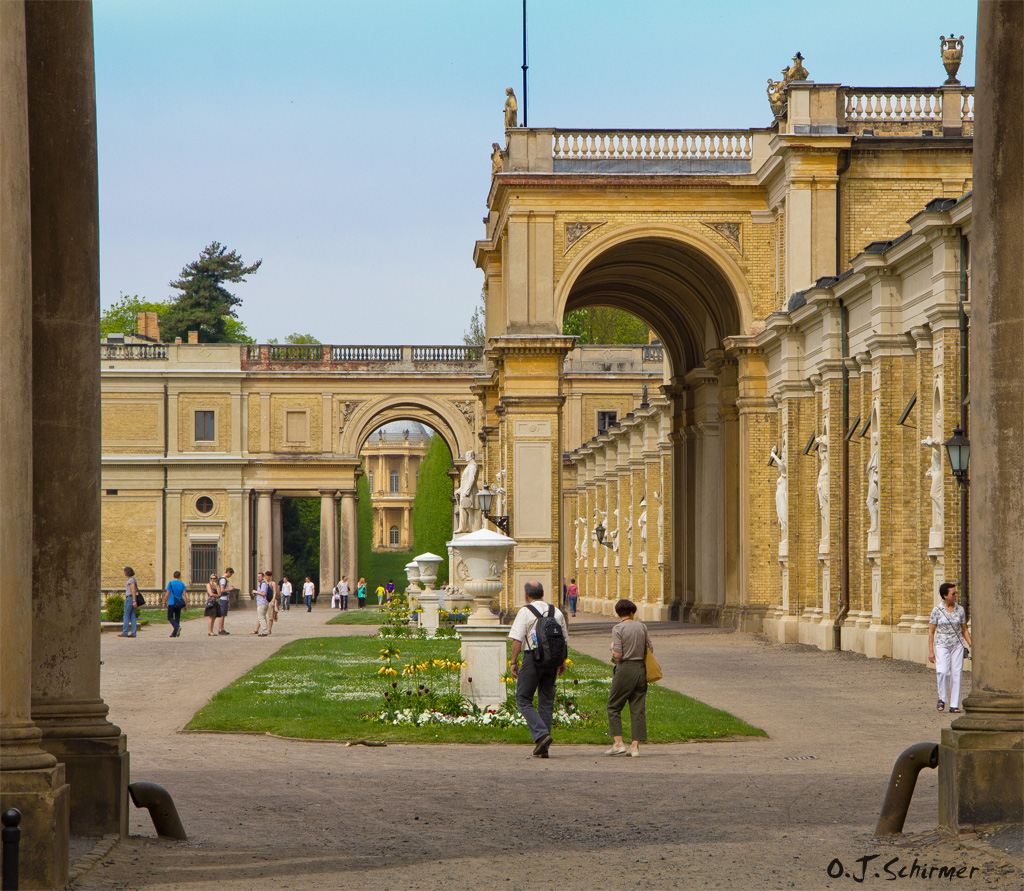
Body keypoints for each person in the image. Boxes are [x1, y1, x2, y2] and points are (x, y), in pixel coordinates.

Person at [508, 581, 568, 758]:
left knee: (523, 698)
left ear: (527, 595)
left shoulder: (525, 611)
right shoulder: (555, 611)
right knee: (546, 700)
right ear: (543, 593)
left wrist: (513, 661)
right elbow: (563, 638)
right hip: (552, 660)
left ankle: (541, 735)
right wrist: (561, 660)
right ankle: (544, 747)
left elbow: (517, 640)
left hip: (532, 658)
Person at [605, 598, 650, 757]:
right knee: (638, 708)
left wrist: (612, 648)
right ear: (633, 612)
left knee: (613, 705)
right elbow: (650, 648)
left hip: (625, 668)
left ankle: (618, 743)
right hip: (641, 668)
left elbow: (618, 653)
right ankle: (635, 746)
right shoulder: (642, 626)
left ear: (618, 613)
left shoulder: (618, 628)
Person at [929, 582, 972, 713]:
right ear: (945, 595)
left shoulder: (960, 610)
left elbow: (964, 629)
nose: (955, 595)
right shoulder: (937, 610)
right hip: (942, 644)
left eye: (955, 593)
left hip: (957, 644)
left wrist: (971, 644)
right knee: (942, 671)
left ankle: (954, 704)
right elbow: (931, 631)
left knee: (956, 673)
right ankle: (942, 697)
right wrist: (931, 650)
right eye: (953, 593)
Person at [163, 570, 187, 638]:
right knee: (177, 618)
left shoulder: (170, 583)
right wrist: (185, 605)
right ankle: (174, 633)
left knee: (170, 617)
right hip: (179, 603)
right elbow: (184, 595)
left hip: (172, 602)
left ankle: (176, 627)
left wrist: (164, 601)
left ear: (173, 576)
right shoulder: (182, 584)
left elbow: (167, 594)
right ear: (179, 576)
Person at [118, 566, 140, 637]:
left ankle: (125, 632)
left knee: (126, 616)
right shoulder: (133, 579)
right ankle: (133, 632)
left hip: (130, 598)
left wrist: (134, 600)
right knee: (132, 616)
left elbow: (133, 590)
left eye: (124, 571)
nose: (124, 573)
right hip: (132, 598)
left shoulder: (130, 580)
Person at [253, 569, 273, 637]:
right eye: (258, 577)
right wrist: (256, 594)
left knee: (261, 617)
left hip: (262, 603)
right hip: (261, 602)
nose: (258, 578)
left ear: (263, 577)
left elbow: (263, 593)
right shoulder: (260, 584)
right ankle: (264, 630)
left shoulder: (263, 584)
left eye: (260, 577)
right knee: (263, 617)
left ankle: (264, 631)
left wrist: (256, 592)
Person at [217, 567, 234, 635]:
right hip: (223, 598)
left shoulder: (223, 579)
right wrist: (230, 589)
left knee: (223, 614)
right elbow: (222, 590)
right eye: (231, 574)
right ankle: (220, 629)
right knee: (222, 614)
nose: (230, 576)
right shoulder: (223, 580)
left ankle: (222, 628)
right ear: (228, 572)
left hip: (224, 598)